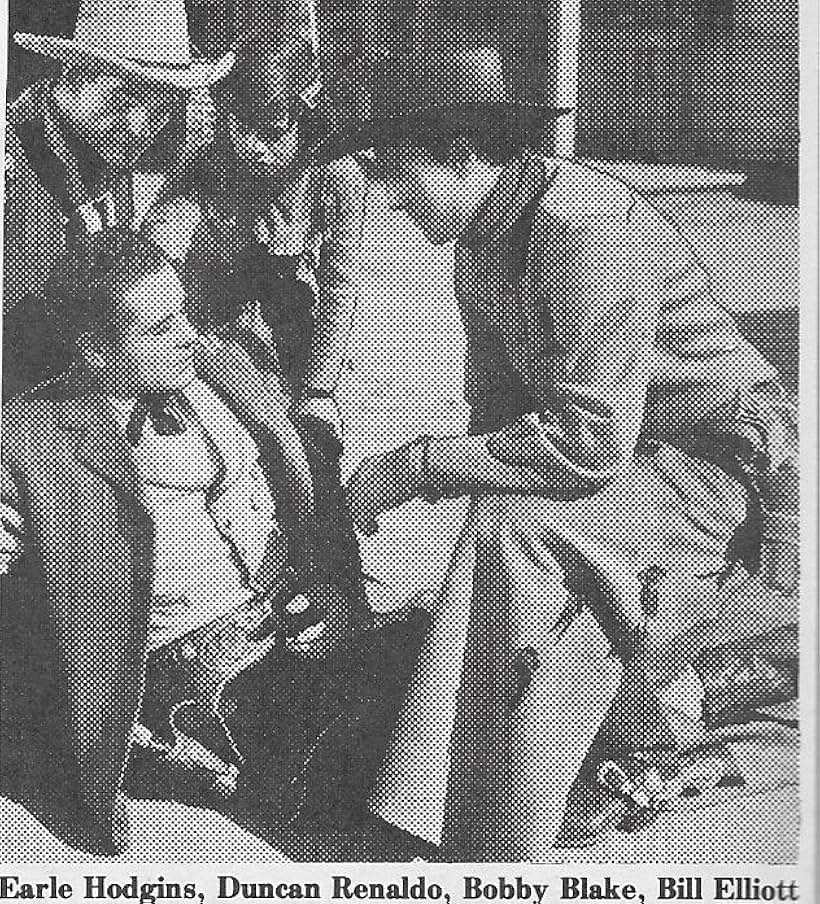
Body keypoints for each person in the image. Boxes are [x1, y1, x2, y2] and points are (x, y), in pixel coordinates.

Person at [315, 46, 799, 858]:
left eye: (398, 177)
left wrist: (413, 469)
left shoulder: (582, 223)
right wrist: (442, 477)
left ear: (463, 157)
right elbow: (500, 412)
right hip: (634, 460)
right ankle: (448, 804)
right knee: (496, 523)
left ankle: (501, 832)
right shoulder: (483, 231)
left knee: (521, 532)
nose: (391, 201)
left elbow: (591, 443)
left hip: (718, 471)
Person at [0, 231, 420, 855]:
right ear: (93, 350)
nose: (187, 338)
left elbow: (308, 477)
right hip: (183, 673)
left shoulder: (222, 376)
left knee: (483, 619)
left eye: (185, 315)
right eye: (160, 329)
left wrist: (322, 584)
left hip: (283, 633)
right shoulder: (38, 443)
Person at [3, 0, 233, 398]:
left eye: (164, 104)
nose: (149, 123)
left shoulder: (134, 151)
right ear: (78, 79)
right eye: (136, 96)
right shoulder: (14, 163)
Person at [162, 32, 366, 450]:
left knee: (314, 442)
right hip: (213, 315)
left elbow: (341, 286)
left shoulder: (336, 171)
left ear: (299, 108)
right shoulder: (211, 158)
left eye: (272, 130)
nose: (255, 147)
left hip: (296, 320)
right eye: (243, 125)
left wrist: (319, 389)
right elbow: (167, 236)